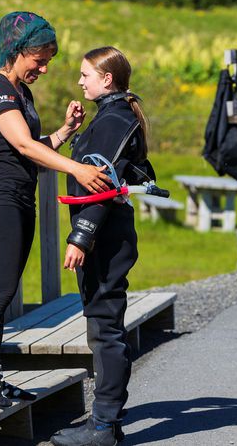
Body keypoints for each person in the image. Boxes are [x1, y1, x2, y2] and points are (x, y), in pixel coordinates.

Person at [0, 11, 110, 408]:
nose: (44, 69)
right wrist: (79, 168)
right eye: (39, 60)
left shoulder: (20, 93)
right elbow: (25, 147)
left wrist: (65, 132)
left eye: (48, 61)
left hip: (18, 199)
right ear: (15, 51)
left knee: (5, 291)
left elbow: (33, 145)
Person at [50, 46, 153, 446]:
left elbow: (105, 182)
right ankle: (106, 421)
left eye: (85, 75)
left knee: (105, 330)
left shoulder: (115, 118)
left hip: (104, 236)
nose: (80, 81)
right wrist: (72, 129)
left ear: (106, 79)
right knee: (103, 326)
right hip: (108, 234)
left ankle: (104, 427)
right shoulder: (112, 116)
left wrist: (81, 237)